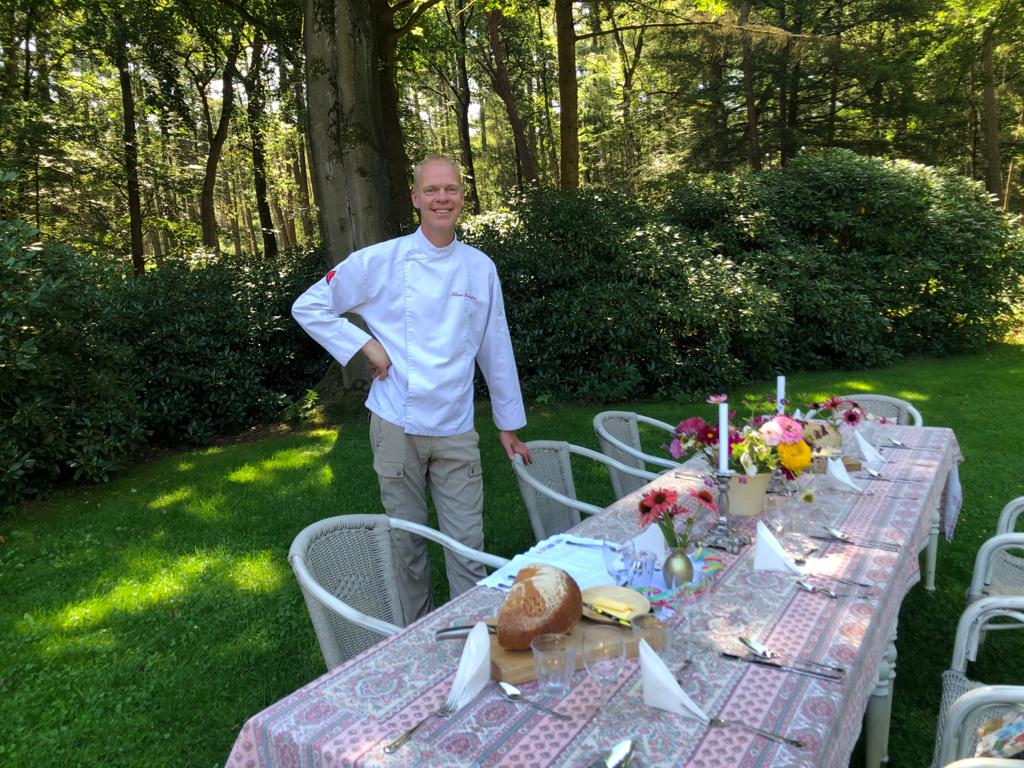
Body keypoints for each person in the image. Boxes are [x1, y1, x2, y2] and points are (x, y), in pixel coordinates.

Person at [292, 155, 532, 623]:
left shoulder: (480, 268)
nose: (442, 198)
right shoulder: (381, 260)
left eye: (452, 189)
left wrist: (508, 424)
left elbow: (494, 345)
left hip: (456, 426)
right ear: (416, 199)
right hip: (396, 423)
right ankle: (417, 637)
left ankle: (470, 635)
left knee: (468, 545)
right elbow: (310, 305)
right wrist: (366, 345)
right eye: (432, 190)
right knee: (408, 545)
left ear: (463, 196)